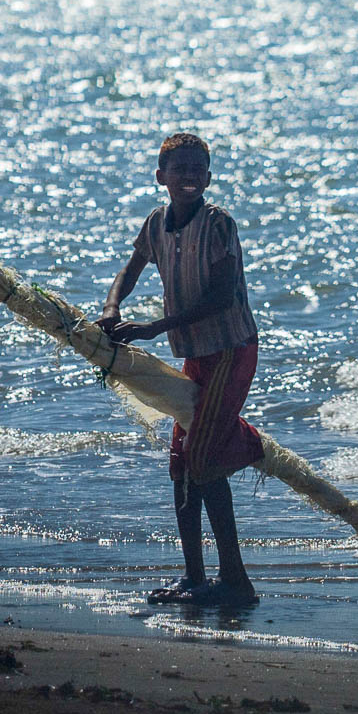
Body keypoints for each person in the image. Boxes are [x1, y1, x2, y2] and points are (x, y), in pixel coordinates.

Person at [97, 132, 263, 606]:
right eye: (180, 170)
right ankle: (194, 578)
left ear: (208, 179)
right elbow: (129, 270)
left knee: (205, 463)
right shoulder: (156, 223)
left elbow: (221, 297)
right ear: (161, 177)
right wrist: (112, 309)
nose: (189, 178)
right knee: (182, 468)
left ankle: (236, 582)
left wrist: (154, 327)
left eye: (198, 170)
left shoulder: (218, 224)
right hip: (194, 357)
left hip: (230, 351)